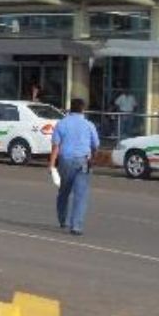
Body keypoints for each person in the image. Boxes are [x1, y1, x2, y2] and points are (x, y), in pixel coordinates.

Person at [49, 98, 100, 236]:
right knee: (80, 195)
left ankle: (62, 219)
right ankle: (76, 226)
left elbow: (56, 146)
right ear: (83, 109)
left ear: (70, 108)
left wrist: (52, 165)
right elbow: (95, 146)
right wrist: (93, 159)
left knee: (64, 192)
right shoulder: (89, 124)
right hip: (83, 161)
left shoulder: (61, 124)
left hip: (65, 161)